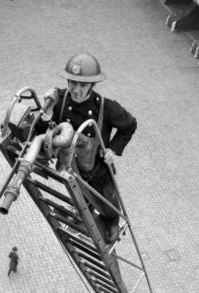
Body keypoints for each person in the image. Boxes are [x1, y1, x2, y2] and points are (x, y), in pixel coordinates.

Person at [43, 53, 137, 243]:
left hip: (98, 172)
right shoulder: (60, 100)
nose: (76, 90)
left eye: (82, 85)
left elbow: (130, 125)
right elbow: (46, 129)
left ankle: (111, 222)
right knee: (79, 198)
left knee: (107, 203)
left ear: (92, 86)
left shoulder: (106, 107)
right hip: (71, 168)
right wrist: (46, 111)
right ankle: (79, 211)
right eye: (72, 83)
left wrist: (112, 149)